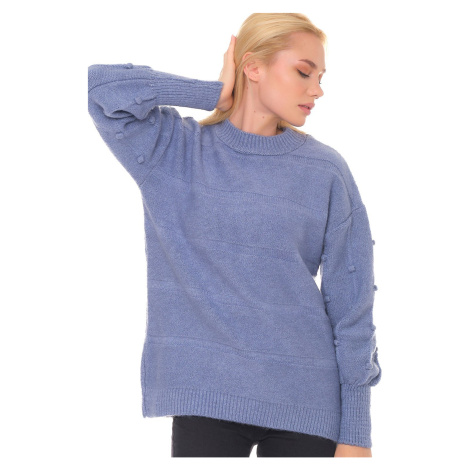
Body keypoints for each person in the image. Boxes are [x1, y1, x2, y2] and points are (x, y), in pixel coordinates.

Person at [87, 12, 382, 458]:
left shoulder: (326, 170)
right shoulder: (172, 150)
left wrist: (356, 429)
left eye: (321, 77)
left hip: (308, 400)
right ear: (253, 67)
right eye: (304, 72)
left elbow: (351, 301)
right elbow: (100, 88)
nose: (317, 89)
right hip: (206, 397)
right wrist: (213, 92)